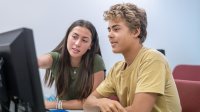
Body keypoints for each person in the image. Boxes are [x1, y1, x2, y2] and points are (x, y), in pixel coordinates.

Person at [83, 3, 181, 112]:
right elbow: (87, 104)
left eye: (116, 29)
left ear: (135, 31)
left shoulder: (153, 59)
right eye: (109, 29)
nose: (109, 35)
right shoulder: (116, 69)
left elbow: (139, 110)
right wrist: (100, 102)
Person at [38, 19, 106, 110]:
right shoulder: (55, 58)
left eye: (84, 40)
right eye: (74, 37)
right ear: (67, 37)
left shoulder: (96, 61)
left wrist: (56, 104)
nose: (77, 43)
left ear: (90, 45)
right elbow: (34, 62)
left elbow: (92, 103)